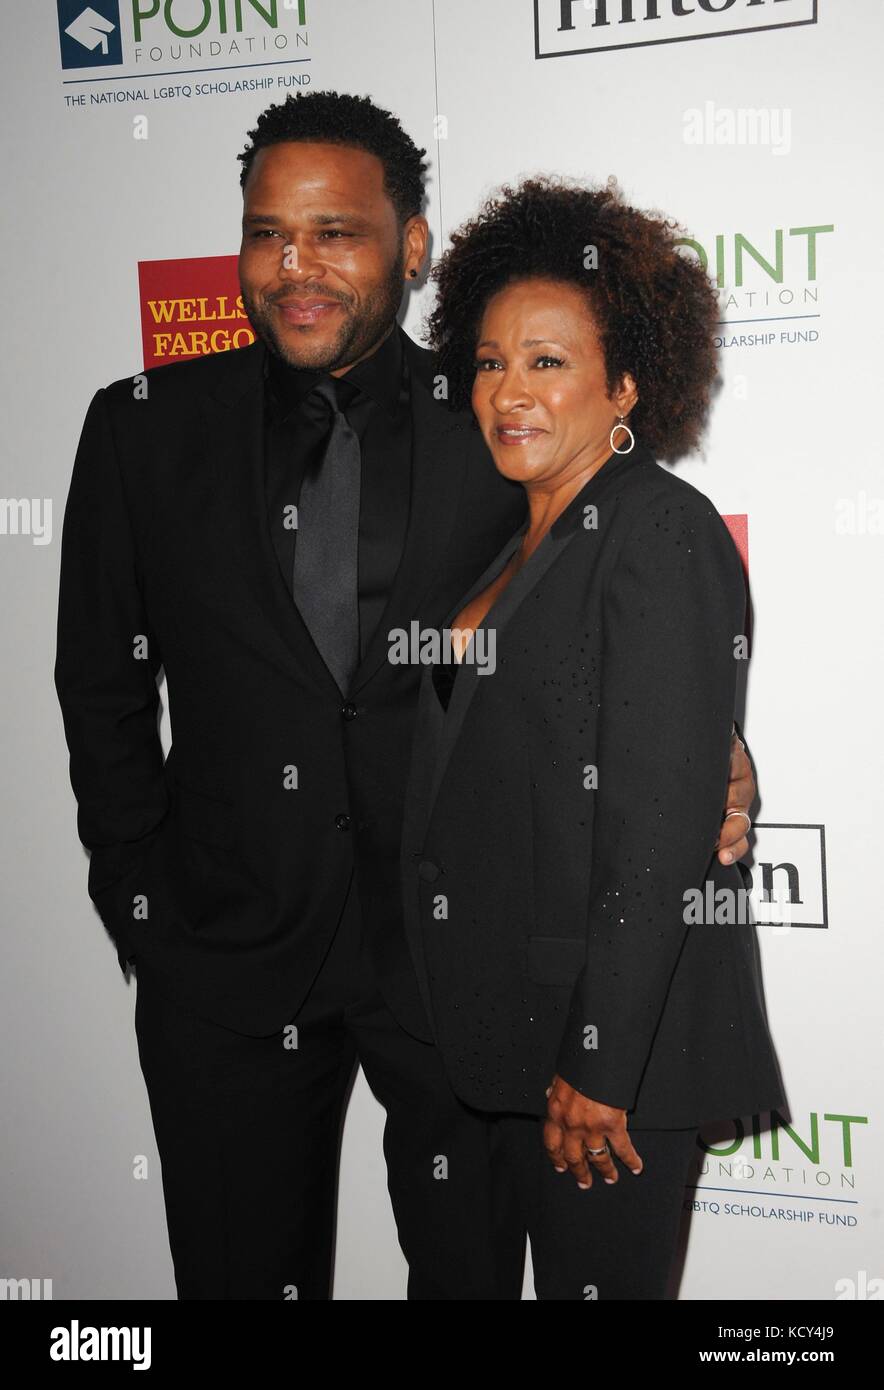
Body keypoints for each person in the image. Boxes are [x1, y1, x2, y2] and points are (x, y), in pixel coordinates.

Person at [54, 92, 758, 1300]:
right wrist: (144, 909)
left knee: (465, 1277)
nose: (296, 266)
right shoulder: (140, 430)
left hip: (453, 969)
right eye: (268, 233)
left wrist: (721, 758)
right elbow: (99, 687)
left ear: (414, 245)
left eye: (337, 232)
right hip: (223, 964)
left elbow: (597, 633)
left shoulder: (495, 421)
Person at [400, 175, 785, 1300]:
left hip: (604, 1066)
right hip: (489, 1045)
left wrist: (597, 1066)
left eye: (546, 361)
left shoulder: (656, 531)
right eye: (487, 360)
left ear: (623, 386)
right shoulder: (506, 547)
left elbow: (657, 828)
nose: (506, 390)